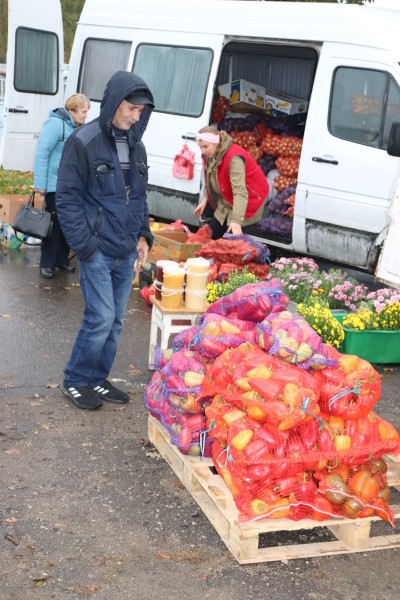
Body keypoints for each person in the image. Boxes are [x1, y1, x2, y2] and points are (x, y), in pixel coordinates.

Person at [55, 71, 154, 410]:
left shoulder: (137, 147)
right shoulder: (83, 140)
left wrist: (144, 235)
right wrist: (85, 245)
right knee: (100, 317)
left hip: (126, 249)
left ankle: (97, 378)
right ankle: (75, 379)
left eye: (141, 111)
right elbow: (67, 198)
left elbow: (139, 197)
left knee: (115, 321)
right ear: (115, 103)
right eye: (131, 108)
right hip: (97, 248)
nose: (136, 116)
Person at [34, 93, 91, 278]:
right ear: (71, 110)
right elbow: (42, 153)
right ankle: (46, 264)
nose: (86, 115)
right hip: (54, 185)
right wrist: (40, 186)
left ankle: (61, 260)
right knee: (53, 224)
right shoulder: (55, 124)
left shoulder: (78, 127)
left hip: (72, 185)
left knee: (68, 223)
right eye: (83, 112)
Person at [194, 126, 269, 239]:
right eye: (200, 147)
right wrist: (205, 198)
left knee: (233, 243)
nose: (203, 151)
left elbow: (240, 192)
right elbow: (211, 178)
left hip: (248, 200)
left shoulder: (234, 158)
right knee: (212, 236)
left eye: (206, 146)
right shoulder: (210, 155)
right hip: (227, 199)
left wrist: (236, 220)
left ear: (216, 142)